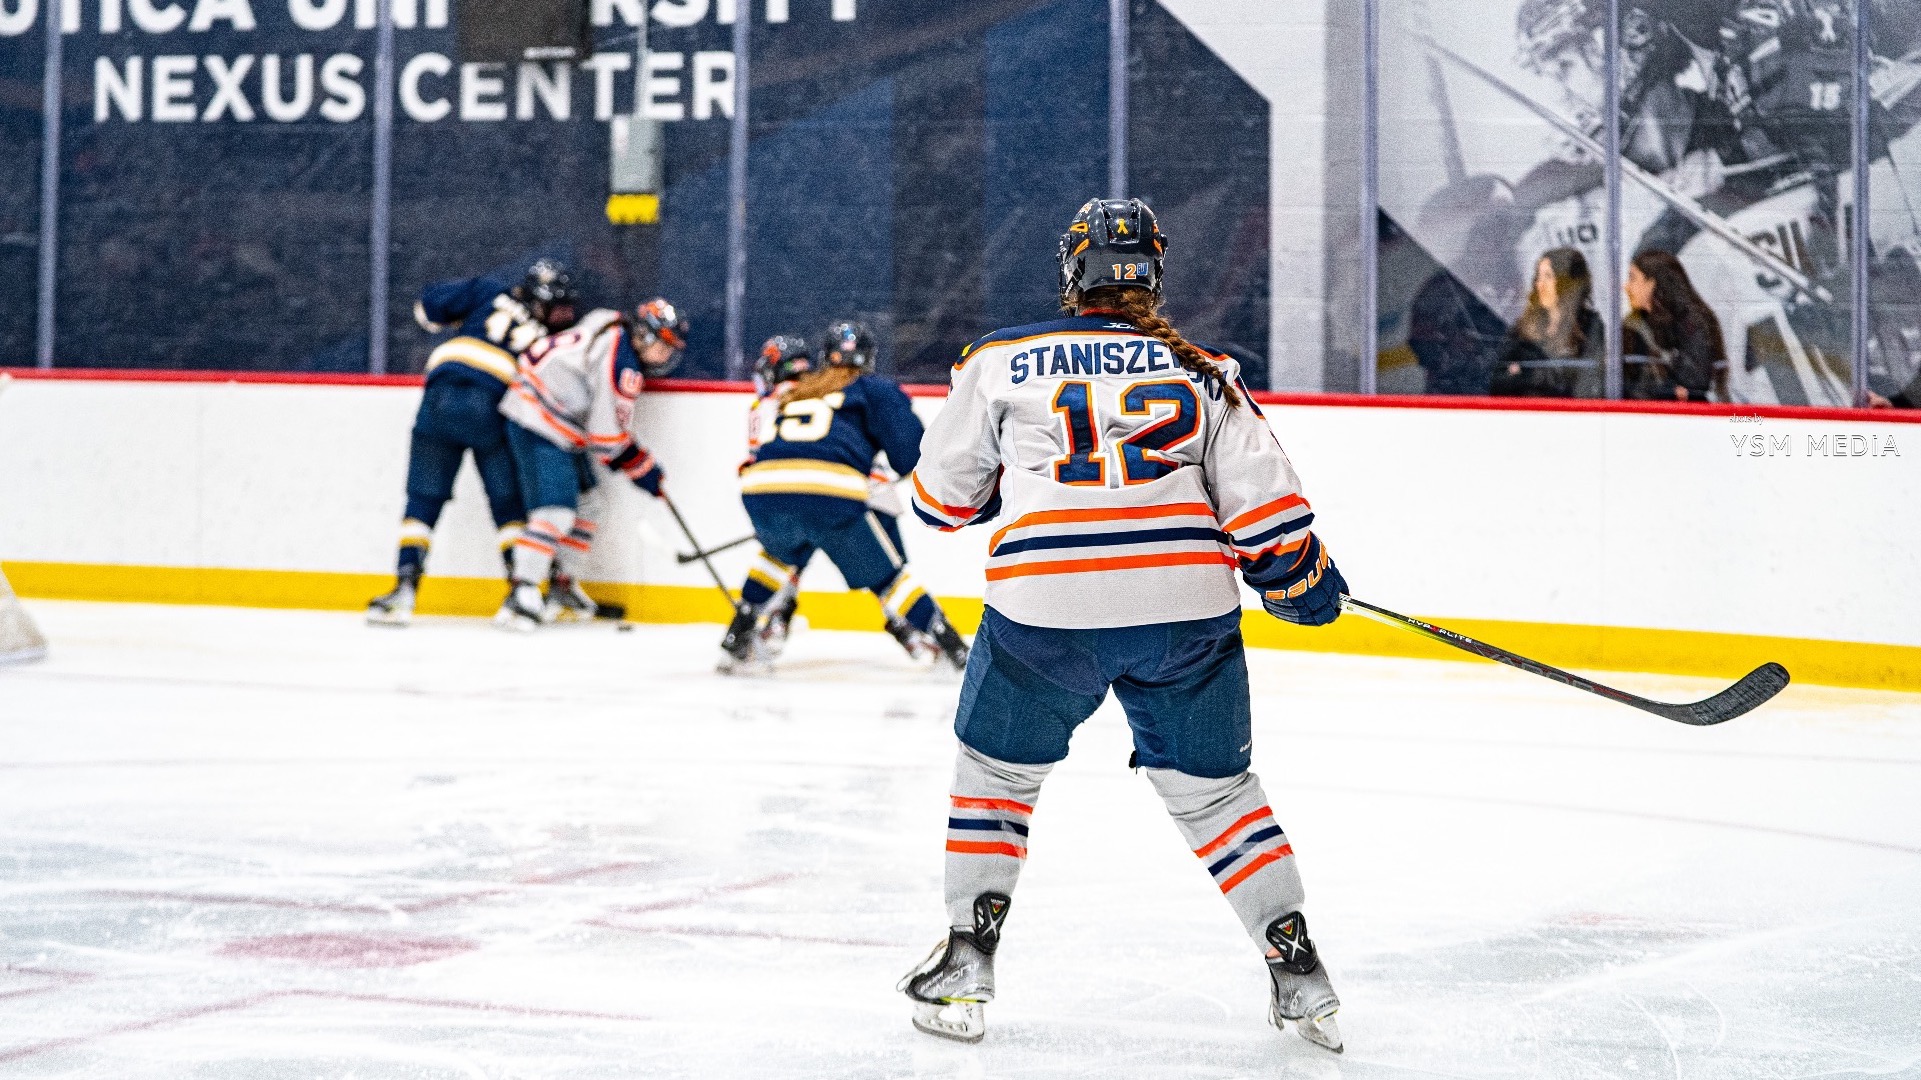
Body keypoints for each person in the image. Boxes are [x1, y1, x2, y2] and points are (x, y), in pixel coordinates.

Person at [898, 198, 1350, 1053]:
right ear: (1153, 274)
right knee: (1217, 796)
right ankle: (1298, 972)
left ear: (1074, 274)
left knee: (995, 777)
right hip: (1186, 613)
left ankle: (966, 961)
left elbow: (938, 501)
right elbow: (1267, 515)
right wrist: (1302, 577)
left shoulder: (999, 360)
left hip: (1045, 612)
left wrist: (1003, 487)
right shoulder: (1206, 368)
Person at [719, 331, 968, 675]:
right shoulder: (874, 389)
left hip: (763, 486)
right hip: (832, 492)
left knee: (777, 557)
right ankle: (952, 647)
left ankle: (738, 636)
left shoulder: (800, 388)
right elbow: (909, 454)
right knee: (889, 578)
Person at [368, 258, 578, 626]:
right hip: (492, 405)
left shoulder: (490, 290)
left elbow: (428, 307)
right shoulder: (548, 341)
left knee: (423, 497)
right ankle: (520, 591)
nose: (559, 314)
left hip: (440, 393)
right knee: (507, 504)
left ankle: (404, 589)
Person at [493, 298, 686, 631]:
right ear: (646, 337)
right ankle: (521, 593)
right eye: (665, 345)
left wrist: (639, 465)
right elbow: (606, 438)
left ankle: (562, 587)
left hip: (551, 414)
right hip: (537, 416)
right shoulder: (623, 363)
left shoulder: (610, 325)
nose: (668, 355)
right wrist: (645, 470)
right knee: (555, 511)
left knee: (590, 506)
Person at [1490, 248, 1606, 398]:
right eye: (1538, 277)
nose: (1540, 284)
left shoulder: (1590, 326)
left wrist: (1525, 372)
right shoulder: (1523, 328)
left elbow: (1586, 382)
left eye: (1548, 277)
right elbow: (1497, 381)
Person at [1624, 250, 1728, 402]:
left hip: (1691, 417)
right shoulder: (1633, 324)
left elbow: (1694, 382)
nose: (1626, 286)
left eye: (1632, 279)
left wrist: (1668, 387)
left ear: (1651, 284)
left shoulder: (1693, 321)